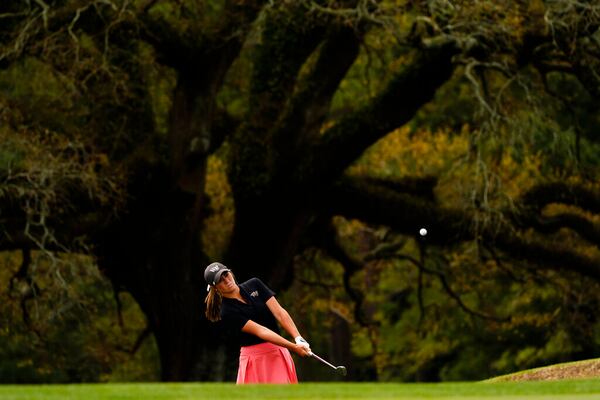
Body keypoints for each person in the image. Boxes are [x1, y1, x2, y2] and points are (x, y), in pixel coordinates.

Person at [204, 261, 312, 384]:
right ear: (215, 288)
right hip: (254, 359)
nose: (226, 280)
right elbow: (261, 331)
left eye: (226, 275)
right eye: (220, 280)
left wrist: (298, 338)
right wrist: (293, 347)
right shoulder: (227, 311)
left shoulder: (255, 284)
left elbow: (280, 313)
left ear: (231, 273)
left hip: (277, 352)